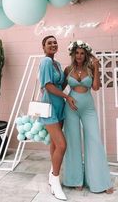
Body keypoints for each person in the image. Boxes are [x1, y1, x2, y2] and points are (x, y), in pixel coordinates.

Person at [62, 40, 114, 194]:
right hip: (71, 108)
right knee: (73, 142)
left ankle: (101, 182)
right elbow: (61, 88)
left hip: (88, 108)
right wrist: (66, 98)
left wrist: (97, 67)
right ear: (73, 54)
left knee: (94, 140)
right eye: (76, 53)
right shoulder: (67, 70)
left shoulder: (91, 68)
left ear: (86, 55)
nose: (79, 55)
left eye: (82, 53)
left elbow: (96, 87)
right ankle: (75, 179)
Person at [39, 35, 76, 201]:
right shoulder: (45, 62)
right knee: (62, 145)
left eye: (55, 42)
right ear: (44, 47)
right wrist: (67, 97)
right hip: (49, 108)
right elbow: (48, 85)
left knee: (55, 143)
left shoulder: (58, 64)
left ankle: (51, 173)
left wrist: (68, 74)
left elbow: (60, 85)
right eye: (49, 43)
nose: (53, 45)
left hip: (59, 107)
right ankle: (55, 180)